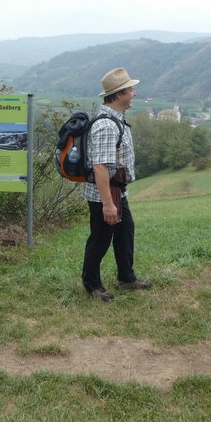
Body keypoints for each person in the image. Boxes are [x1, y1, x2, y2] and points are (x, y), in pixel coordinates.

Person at [82, 68, 151, 301]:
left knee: (125, 232)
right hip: (105, 194)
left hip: (117, 191)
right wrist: (107, 205)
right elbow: (100, 167)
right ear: (119, 94)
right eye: (130, 89)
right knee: (101, 239)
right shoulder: (106, 126)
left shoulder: (116, 120)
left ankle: (126, 278)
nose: (134, 92)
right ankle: (92, 284)